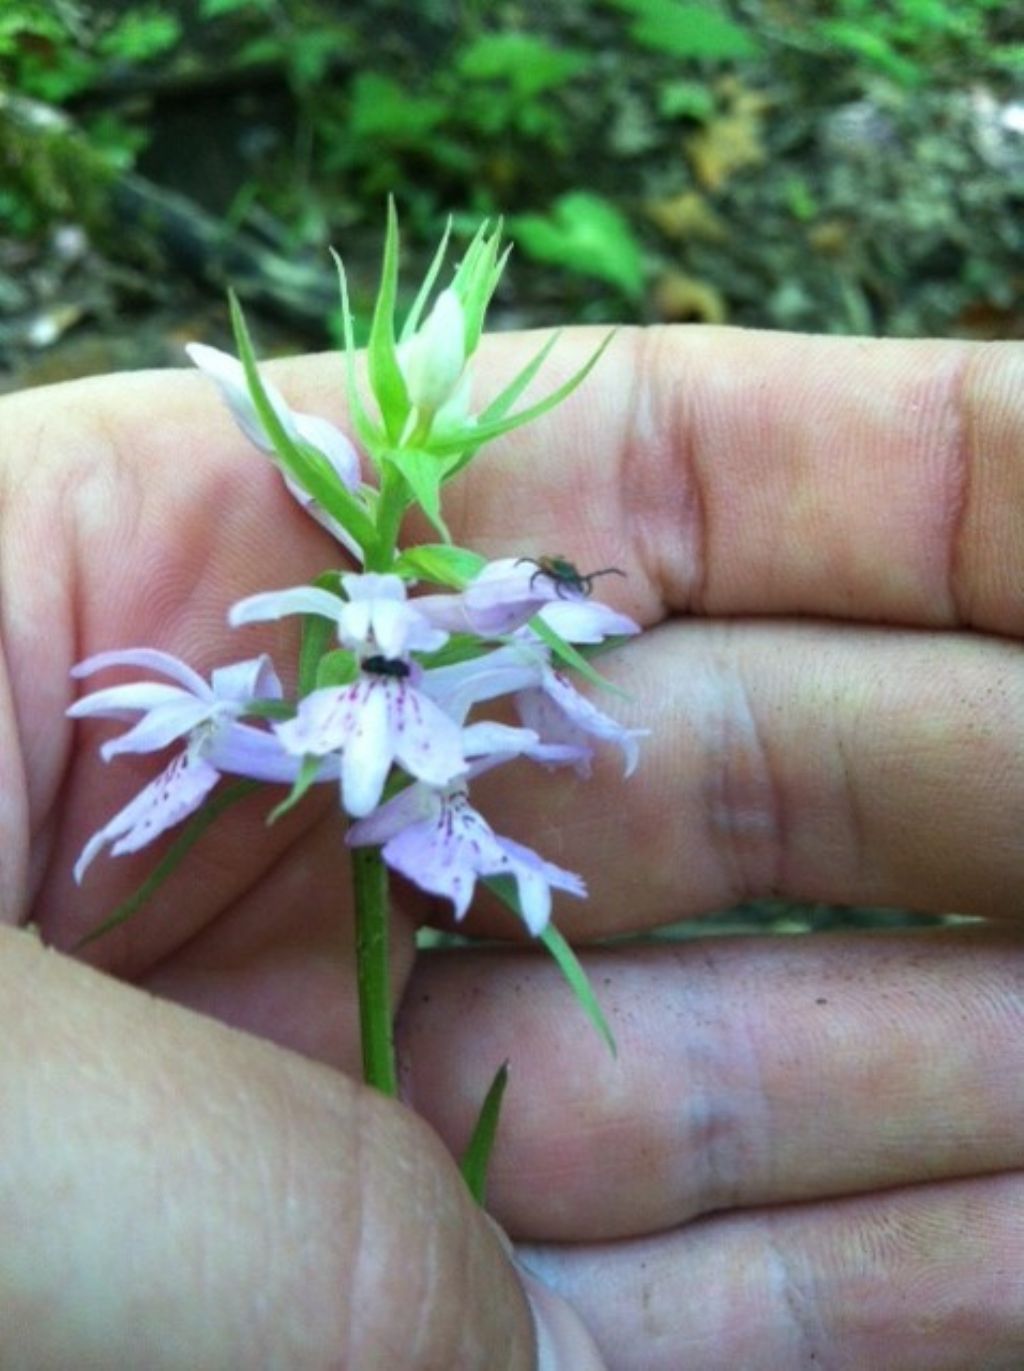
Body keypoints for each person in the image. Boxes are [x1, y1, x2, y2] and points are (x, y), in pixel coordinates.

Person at [1, 326, 1022, 1369]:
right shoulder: (343, 679)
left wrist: (513, 659)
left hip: (427, 761)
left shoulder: (454, 675)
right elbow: (354, 701)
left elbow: (485, 683)